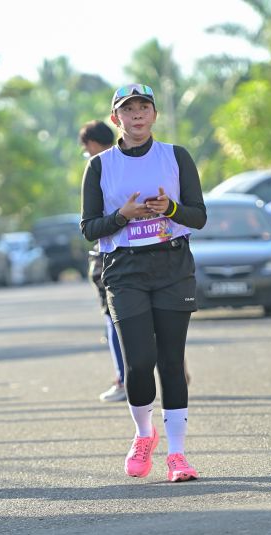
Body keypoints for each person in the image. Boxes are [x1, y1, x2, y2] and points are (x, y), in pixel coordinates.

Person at [81, 83, 206, 482]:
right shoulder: (99, 166)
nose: (137, 114)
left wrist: (170, 208)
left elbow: (198, 216)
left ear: (154, 114)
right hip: (124, 270)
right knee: (138, 363)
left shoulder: (176, 156)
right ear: (115, 118)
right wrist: (123, 216)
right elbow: (89, 228)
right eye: (128, 109)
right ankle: (143, 434)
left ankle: (178, 454)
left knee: (171, 361)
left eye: (144, 107)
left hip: (172, 266)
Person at [79, 120, 127, 402]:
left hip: (111, 255)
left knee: (113, 318)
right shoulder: (132, 163)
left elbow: (90, 226)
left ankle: (123, 379)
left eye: (86, 149)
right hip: (144, 251)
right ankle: (175, 368)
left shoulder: (98, 167)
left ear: (93, 144)